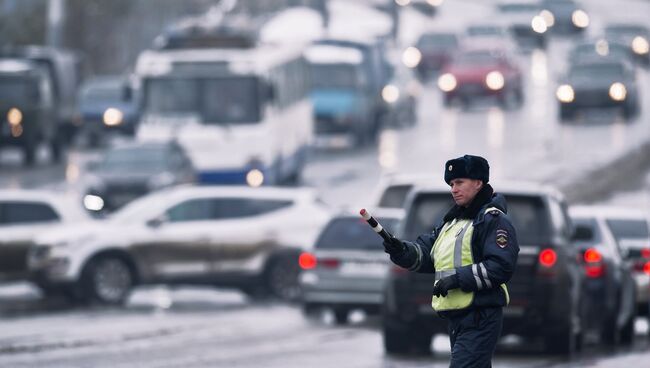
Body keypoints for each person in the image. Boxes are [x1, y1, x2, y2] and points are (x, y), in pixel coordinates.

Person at [383, 154, 519, 368]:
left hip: (480, 316)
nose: (454, 189)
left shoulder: (492, 220)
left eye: (459, 182)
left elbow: (500, 267)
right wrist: (401, 251)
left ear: (478, 183)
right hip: (458, 317)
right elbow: (427, 255)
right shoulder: (452, 222)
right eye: (451, 184)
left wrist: (457, 279)